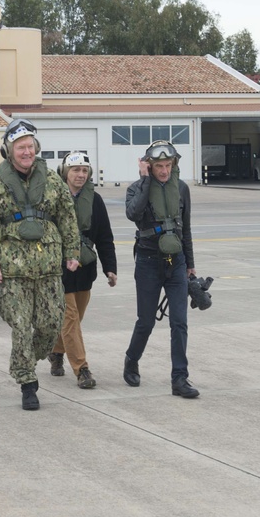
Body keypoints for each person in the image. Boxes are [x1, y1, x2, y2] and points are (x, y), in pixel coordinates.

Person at [0, 119, 80, 410]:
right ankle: (27, 383)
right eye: (20, 147)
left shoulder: (53, 180)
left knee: (50, 325)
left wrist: (72, 252)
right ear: (9, 151)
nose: (26, 152)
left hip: (49, 266)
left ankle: (25, 360)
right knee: (21, 326)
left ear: (36, 148)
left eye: (30, 147)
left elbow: (67, 216)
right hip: (14, 269)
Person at [123, 140, 200, 398]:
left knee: (179, 322)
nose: (164, 171)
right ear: (149, 166)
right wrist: (145, 180)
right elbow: (133, 214)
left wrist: (190, 264)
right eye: (158, 166)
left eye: (168, 165)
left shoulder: (181, 189)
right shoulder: (136, 188)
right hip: (147, 261)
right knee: (145, 321)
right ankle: (132, 359)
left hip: (176, 261)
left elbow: (185, 228)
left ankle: (180, 378)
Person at [48, 152, 117, 389]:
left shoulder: (95, 200)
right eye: (76, 170)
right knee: (70, 319)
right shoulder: (53, 197)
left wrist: (110, 268)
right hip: (60, 268)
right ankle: (82, 369)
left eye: (84, 170)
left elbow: (105, 237)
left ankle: (56, 351)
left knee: (76, 318)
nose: (80, 174)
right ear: (65, 172)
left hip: (85, 268)